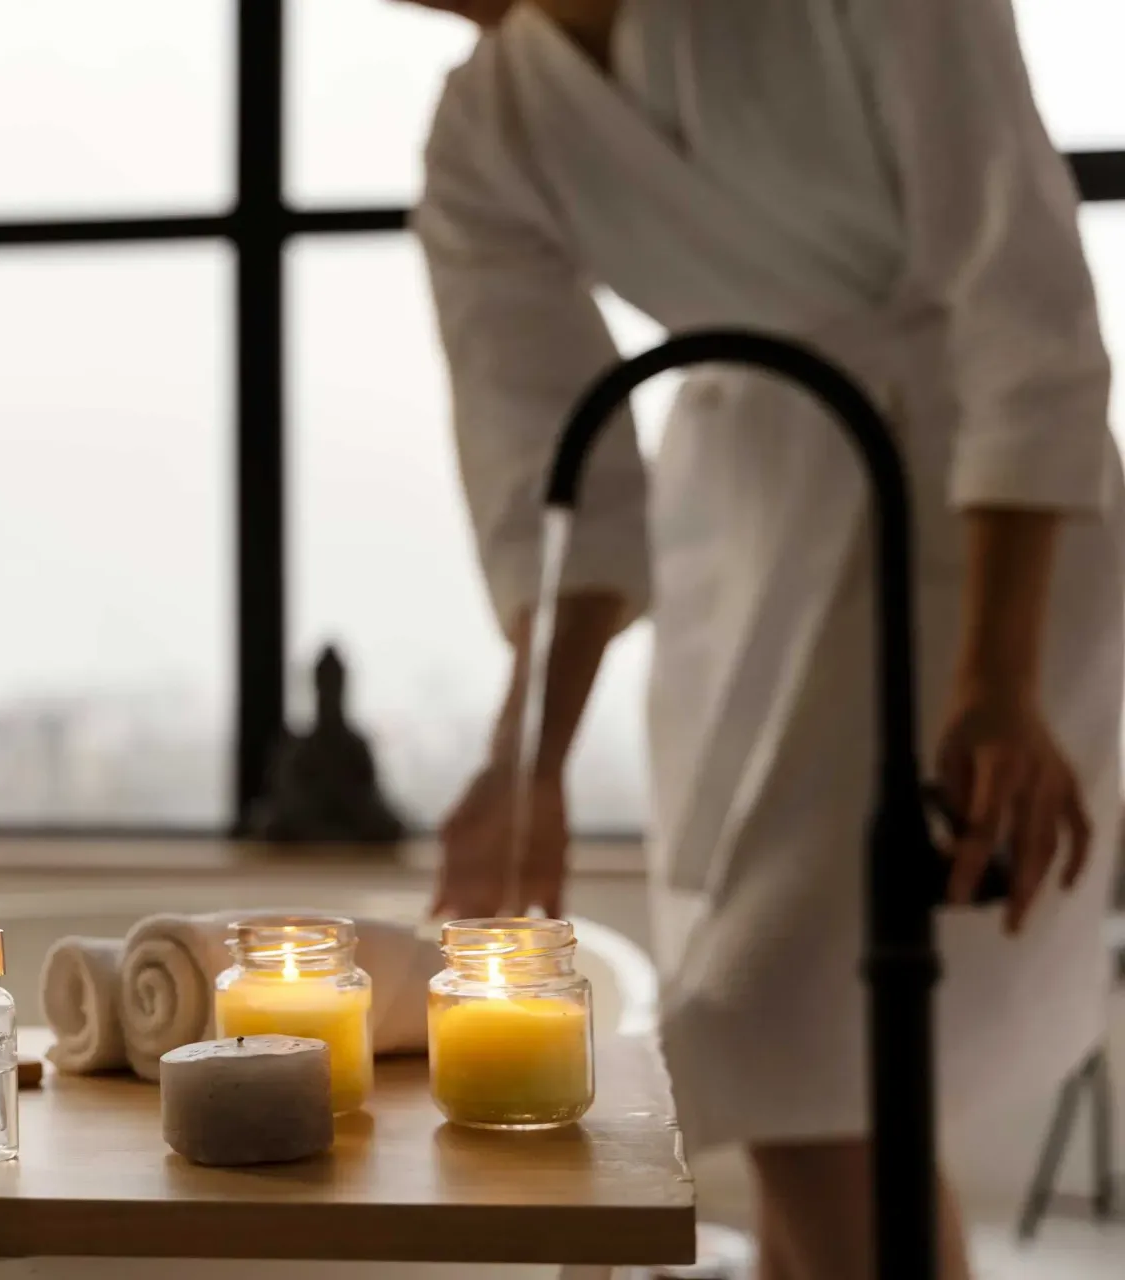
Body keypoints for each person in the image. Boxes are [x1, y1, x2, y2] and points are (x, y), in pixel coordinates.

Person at [407, 2, 1123, 1277]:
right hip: (745, 539)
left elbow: (1026, 299)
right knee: (825, 1077)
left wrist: (1002, 676)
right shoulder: (487, 131)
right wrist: (530, 758)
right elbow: (552, 474)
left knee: (797, 1030)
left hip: (979, 525)